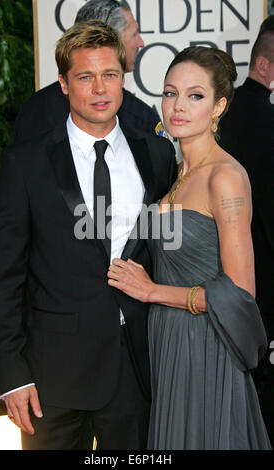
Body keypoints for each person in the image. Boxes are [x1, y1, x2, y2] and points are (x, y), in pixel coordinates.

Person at [0, 20, 177, 450]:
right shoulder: (26, 163)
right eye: (85, 77)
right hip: (50, 378)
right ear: (63, 84)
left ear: (123, 77)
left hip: (137, 370)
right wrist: (12, 376)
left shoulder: (158, 154)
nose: (99, 88)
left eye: (109, 74)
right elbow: (5, 276)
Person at [108, 46, 272, 450]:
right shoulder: (176, 172)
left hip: (206, 346)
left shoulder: (226, 178)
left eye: (195, 95)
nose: (178, 106)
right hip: (168, 341)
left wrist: (151, 291)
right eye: (170, 92)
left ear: (218, 106)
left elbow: (240, 293)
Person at [219, 16, 274, 445]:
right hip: (260, 287)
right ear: (263, 65)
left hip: (212, 284)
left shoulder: (221, 117)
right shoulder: (264, 123)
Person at [13, 0, 164, 143]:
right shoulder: (140, 119)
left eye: (109, 75)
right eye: (133, 34)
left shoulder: (34, 108)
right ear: (107, 39)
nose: (141, 43)